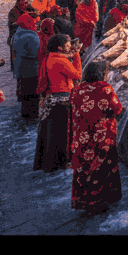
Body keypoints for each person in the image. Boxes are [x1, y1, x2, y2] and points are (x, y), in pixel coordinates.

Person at [70, 59, 125, 215]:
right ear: (103, 74)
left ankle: (84, 201)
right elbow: (118, 108)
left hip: (82, 137)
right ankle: (102, 200)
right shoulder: (105, 89)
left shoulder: (76, 90)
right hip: (102, 138)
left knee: (84, 167)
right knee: (102, 167)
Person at [33, 33, 82, 173]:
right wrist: (77, 56)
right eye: (67, 45)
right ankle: (63, 161)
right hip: (63, 99)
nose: (70, 47)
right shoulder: (61, 60)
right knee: (64, 132)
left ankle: (50, 162)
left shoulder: (49, 58)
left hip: (52, 98)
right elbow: (78, 75)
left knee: (53, 130)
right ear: (60, 48)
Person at [11, 12, 42, 120]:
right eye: (35, 23)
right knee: (32, 96)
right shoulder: (30, 36)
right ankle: (32, 118)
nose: (36, 25)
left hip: (21, 67)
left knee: (25, 95)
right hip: (31, 69)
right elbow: (36, 54)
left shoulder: (19, 32)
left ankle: (25, 116)